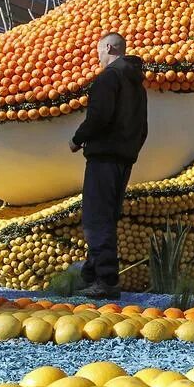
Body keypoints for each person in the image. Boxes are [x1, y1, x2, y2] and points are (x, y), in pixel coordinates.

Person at [69, 32, 148, 299]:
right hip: (124, 159)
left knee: (96, 218)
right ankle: (90, 275)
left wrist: (77, 139)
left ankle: (106, 280)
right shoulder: (137, 85)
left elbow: (99, 116)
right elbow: (143, 128)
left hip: (104, 156)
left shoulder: (109, 78)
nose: (98, 57)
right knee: (107, 216)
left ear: (109, 47)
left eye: (99, 51)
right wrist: (131, 150)